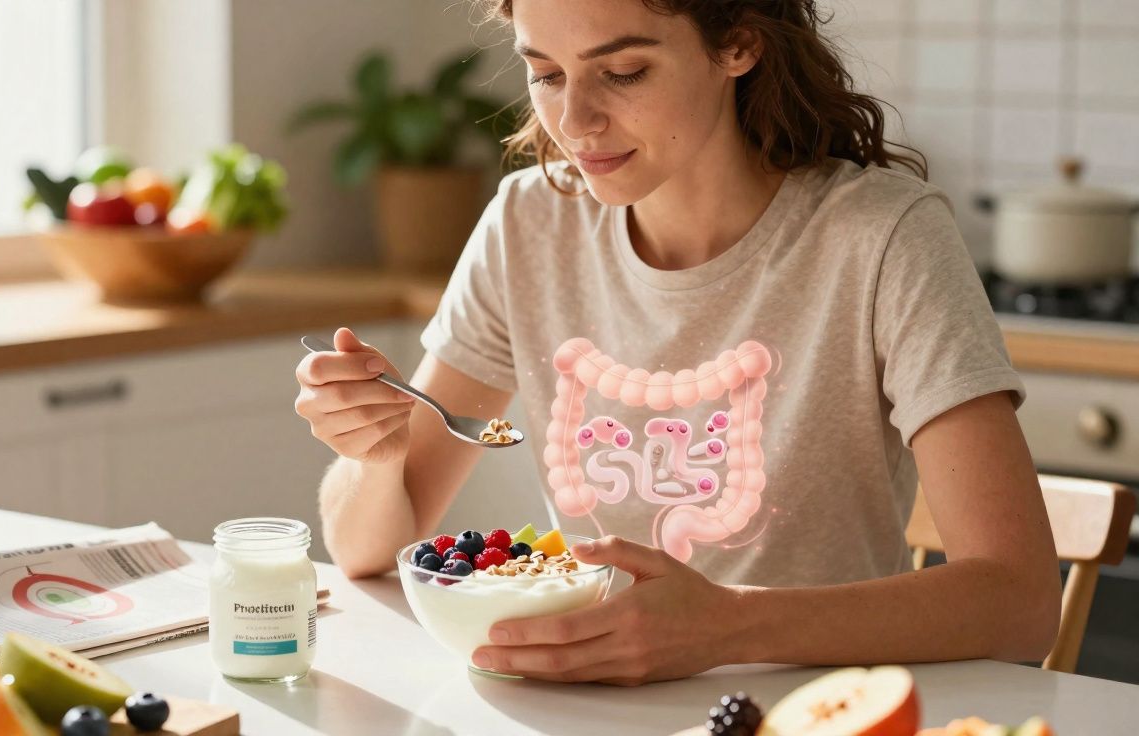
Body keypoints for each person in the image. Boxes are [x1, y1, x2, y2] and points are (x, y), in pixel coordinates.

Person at [294, 0, 1060, 685]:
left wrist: (724, 626)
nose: (576, 122)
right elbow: (362, 551)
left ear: (739, 45)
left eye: (622, 72)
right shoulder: (529, 226)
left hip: (810, 709)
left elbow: (1019, 601)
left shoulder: (883, 236)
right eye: (547, 73)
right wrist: (379, 454)